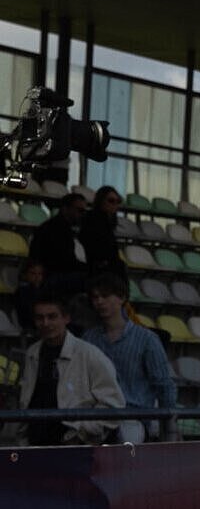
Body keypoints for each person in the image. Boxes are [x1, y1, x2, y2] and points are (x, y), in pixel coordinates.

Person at [18, 297, 124, 445]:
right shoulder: (32, 353)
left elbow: (113, 406)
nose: (45, 323)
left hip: (73, 444)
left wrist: (80, 435)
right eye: (40, 318)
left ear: (66, 318)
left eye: (52, 317)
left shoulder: (90, 354)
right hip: (37, 441)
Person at [86, 274, 175, 443]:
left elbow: (164, 385)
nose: (99, 301)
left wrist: (169, 429)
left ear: (122, 297)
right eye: (95, 297)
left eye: (105, 296)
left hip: (133, 419)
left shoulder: (147, 339)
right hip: (97, 418)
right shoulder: (89, 338)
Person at [80, 186, 126, 279]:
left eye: (118, 201)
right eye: (111, 200)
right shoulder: (91, 220)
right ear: (101, 201)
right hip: (97, 267)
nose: (115, 204)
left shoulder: (109, 222)